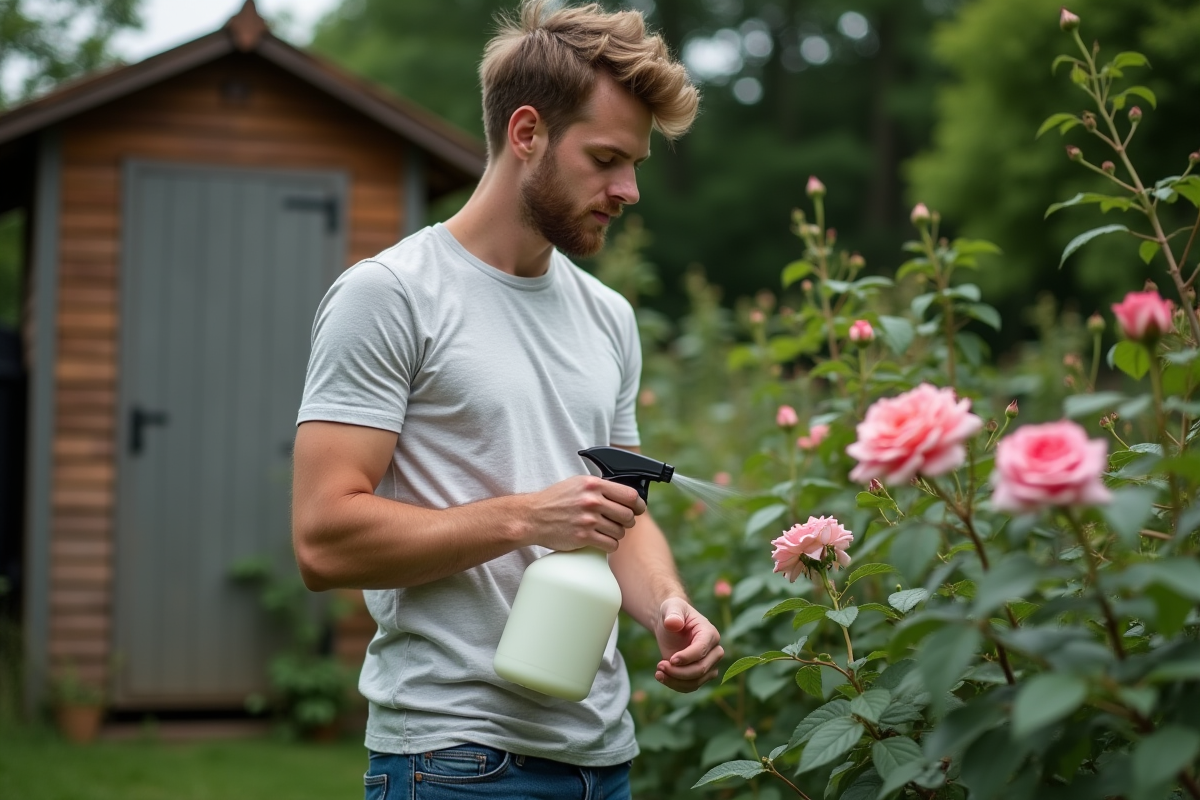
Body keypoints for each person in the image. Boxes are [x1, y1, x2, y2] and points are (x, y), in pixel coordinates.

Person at [291, 1, 722, 796]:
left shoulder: (609, 317)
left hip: (603, 761)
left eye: (634, 164)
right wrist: (525, 518)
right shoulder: (391, 296)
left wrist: (670, 607)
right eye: (605, 159)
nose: (627, 189)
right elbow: (323, 540)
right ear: (527, 134)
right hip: (454, 761)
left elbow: (616, 511)